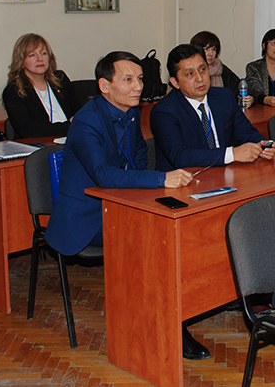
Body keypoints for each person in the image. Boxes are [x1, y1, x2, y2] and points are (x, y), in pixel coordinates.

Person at [43, 52, 202, 359]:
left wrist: (142, 188)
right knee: (155, 240)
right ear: (105, 86)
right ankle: (170, 327)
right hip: (86, 217)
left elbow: (139, 154)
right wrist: (160, 179)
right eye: (128, 80)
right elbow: (103, 174)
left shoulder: (129, 112)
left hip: (120, 204)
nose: (138, 86)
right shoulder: (87, 120)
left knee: (182, 227)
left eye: (140, 79)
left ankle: (182, 308)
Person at [150, 44, 275, 171]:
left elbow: (246, 133)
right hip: (185, 178)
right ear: (175, 82)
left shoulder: (224, 97)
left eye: (202, 69)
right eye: (190, 74)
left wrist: (262, 145)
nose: (200, 78)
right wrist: (231, 154)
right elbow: (180, 157)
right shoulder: (164, 112)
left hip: (222, 174)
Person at [1, 33, 83, 138]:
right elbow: (29, 131)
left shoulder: (60, 80)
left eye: (43, 53)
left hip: (73, 140)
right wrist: (69, 126)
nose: (40, 59)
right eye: (32, 55)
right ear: (21, 62)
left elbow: (79, 115)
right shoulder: (14, 91)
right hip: (39, 145)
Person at [190, 31, 240, 99]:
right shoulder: (190, 70)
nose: (210, 54)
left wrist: (249, 98)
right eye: (206, 49)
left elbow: (237, 89)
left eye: (213, 49)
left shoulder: (220, 68)